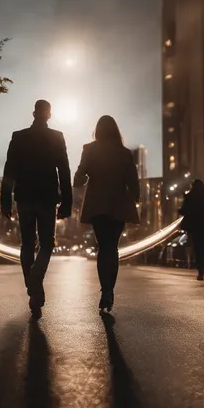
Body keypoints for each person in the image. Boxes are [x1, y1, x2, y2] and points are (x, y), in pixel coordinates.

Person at [1, 100, 72, 315]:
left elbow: (9, 171)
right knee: (47, 243)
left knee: (27, 244)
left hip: (24, 197)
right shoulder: (57, 137)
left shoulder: (19, 137)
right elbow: (64, 172)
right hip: (47, 198)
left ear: (34, 113)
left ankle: (33, 288)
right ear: (49, 115)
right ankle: (36, 278)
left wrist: (5, 200)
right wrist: (67, 202)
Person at [74, 115, 140, 313]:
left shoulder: (89, 149)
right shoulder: (125, 153)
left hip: (97, 205)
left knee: (103, 247)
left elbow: (78, 178)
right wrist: (134, 199)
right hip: (118, 205)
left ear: (98, 130)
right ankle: (109, 290)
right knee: (113, 248)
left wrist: (85, 179)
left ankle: (105, 290)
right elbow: (133, 183)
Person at [179, 179, 204, 281]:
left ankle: (201, 272)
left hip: (197, 229)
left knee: (198, 250)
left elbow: (184, 211)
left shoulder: (190, 198)